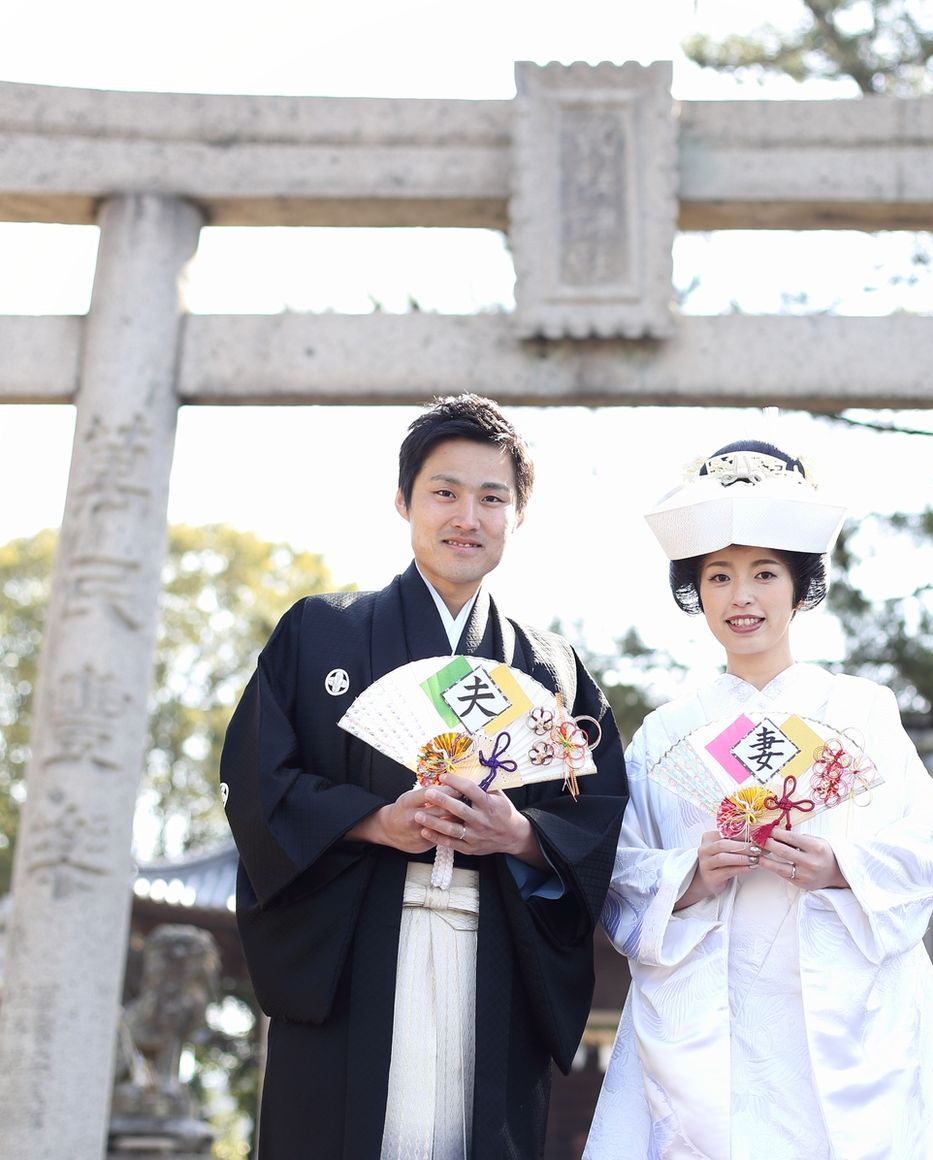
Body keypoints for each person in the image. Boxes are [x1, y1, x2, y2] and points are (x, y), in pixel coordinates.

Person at [220, 394, 628, 1160]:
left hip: (495, 958)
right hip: (352, 953)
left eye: (492, 498)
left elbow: (601, 821)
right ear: (404, 500)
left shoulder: (553, 672)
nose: (467, 517)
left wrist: (522, 835)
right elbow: (258, 784)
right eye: (445, 492)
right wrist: (374, 821)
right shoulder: (320, 634)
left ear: (518, 515)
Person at [584, 440, 933, 1160]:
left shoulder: (860, 711)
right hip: (709, 1013)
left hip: (846, 1006)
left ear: (799, 584)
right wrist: (690, 875)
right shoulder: (664, 735)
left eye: (764, 573)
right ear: (696, 592)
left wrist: (840, 866)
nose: (741, 597)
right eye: (719, 576)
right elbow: (617, 873)